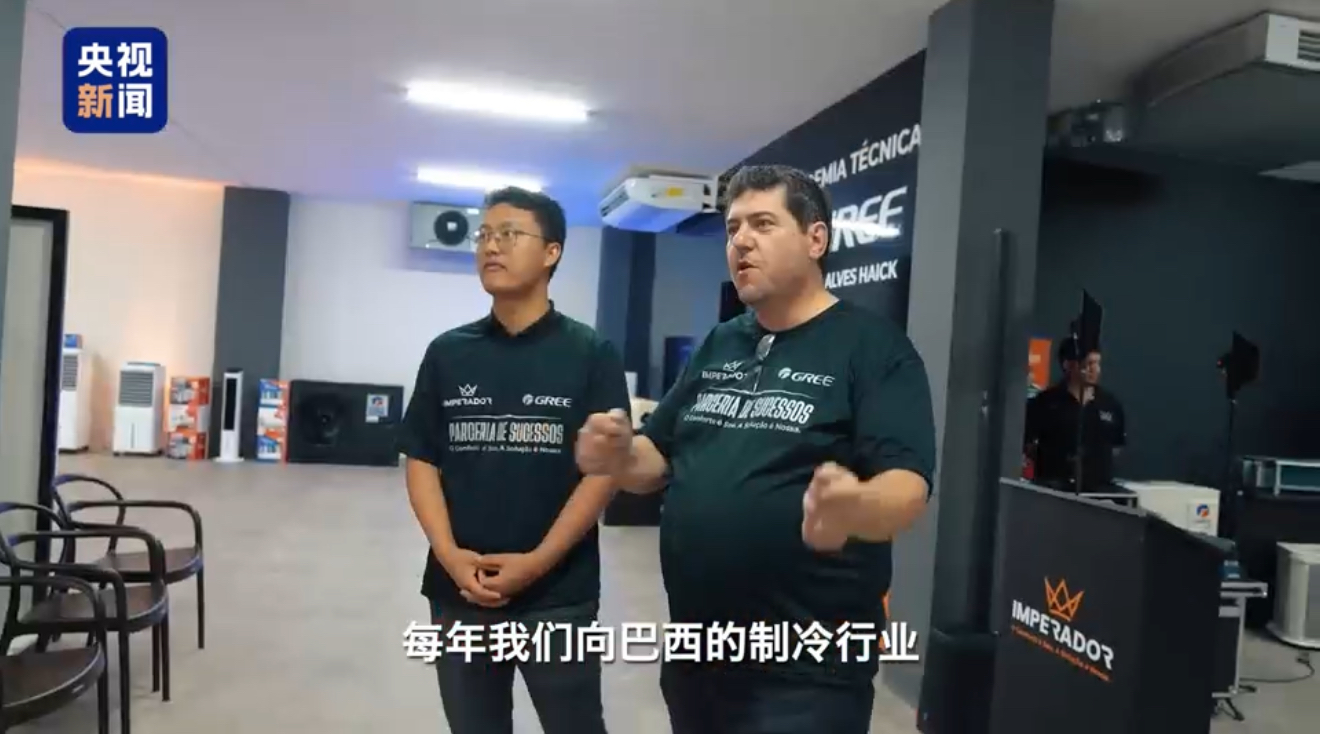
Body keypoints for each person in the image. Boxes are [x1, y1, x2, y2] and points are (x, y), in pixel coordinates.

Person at [576, 164, 936, 733]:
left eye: (763, 224)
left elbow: (908, 486)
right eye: (732, 227)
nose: (741, 241)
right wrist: (619, 455)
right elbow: (657, 459)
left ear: (816, 238)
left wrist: (853, 507)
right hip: (699, 653)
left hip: (808, 672)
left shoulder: (873, 347)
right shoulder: (722, 342)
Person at [398, 187, 628, 734]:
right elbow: (422, 458)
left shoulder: (590, 353)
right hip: (460, 591)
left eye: (508, 234)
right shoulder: (448, 352)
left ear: (551, 252)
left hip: (558, 596)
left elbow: (604, 472)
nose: (490, 246)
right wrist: (450, 556)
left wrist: (539, 561)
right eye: (484, 234)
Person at [1024, 339, 1127, 491]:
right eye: (1089, 364)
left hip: (1098, 491)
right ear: (1068, 365)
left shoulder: (1110, 405)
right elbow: (1028, 444)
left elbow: (1116, 447)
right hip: (1054, 489)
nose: (1095, 370)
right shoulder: (1044, 403)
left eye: (1097, 363)